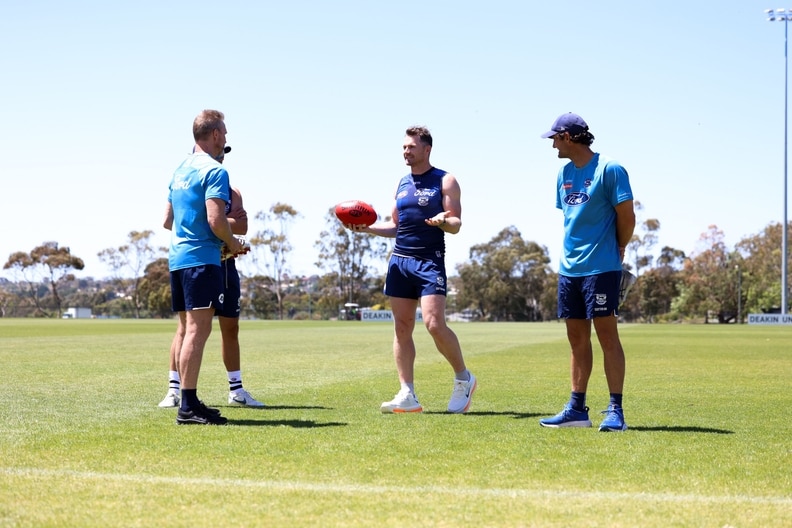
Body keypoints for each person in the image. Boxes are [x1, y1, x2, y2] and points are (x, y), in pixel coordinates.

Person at [346, 126, 477, 414]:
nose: (406, 151)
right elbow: (395, 226)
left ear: (427, 149)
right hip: (400, 262)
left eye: (411, 147)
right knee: (402, 328)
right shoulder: (402, 183)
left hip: (429, 260)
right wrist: (365, 228)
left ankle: (463, 378)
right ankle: (407, 392)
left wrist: (444, 219)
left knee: (433, 323)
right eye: (404, 147)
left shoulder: (445, 180)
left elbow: (456, 224)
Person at [538, 112, 636, 432]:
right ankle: (577, 409)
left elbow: (627, 217)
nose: (552, 144)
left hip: (602, 267)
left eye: (554, 138)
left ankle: (615, 411)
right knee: (577, 339)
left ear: (568, 137)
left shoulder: (611, 169)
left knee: (607, 336)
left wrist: (619, 248)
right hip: (570, 270)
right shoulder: (563, 173)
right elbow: (571, 220)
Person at [158, 146, 264, 410]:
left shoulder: (231, 189)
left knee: (230, 327)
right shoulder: (194, 178)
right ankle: (175, 391)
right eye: (221, 147)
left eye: (226, 151)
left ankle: (236, 391)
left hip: (225, 266)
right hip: (201, 260)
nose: (223, 154)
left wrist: (217, 222)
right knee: (187, 329)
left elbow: (243, 226)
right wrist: (220, 223)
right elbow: (173, 221)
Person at [166, 109, 243, 425]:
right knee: (198, 331)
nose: (225, 137)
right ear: (214, 135)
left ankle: (190, 399)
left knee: (188, 331)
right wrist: (233, 242)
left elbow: (167, 220)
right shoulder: (214, 171)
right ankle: (187, 406)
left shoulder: (179, 169)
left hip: (177, 259)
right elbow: (215, 220)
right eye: (224, 132)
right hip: (202, 260)